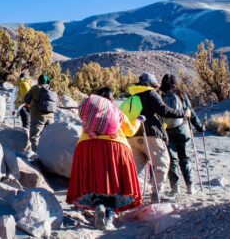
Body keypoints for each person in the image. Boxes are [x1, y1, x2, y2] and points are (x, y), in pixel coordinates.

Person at [66, 87, 143, 230]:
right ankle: (109, 218)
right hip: (116, 147)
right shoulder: (116, 111)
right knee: (115, 185)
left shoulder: (90, 113)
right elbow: (130, 131)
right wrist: (139, 120)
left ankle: (99, 205)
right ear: (111, 99)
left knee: (94, 182)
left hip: (87, 147)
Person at [123, 72, 191, 201]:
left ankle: (126, 195)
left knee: (134, 167)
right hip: (150, 135)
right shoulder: (150, 93)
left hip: (132, 136)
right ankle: (157, 194)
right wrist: (183, 113)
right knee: (161, 163)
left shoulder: (132, 96)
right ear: (151, 83)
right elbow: (163, 110)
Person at [160, 74, 205, 195]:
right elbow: (191, 112)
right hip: (183, 128)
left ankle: (175, 187)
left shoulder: (161, 95)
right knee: (185, 158)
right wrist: (200, 126)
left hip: (167, 130)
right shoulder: (181, 94)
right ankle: (190, 186)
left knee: (172, 159)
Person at [24, 74, 56, 152]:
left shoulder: (35, 88)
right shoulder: (51, 90)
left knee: (34, 137)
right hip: (51, 117)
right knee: (47, 138)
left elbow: (26, 99)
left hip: (38, 117)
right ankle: (48, 156)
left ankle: (38, 156)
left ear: (39, 80)